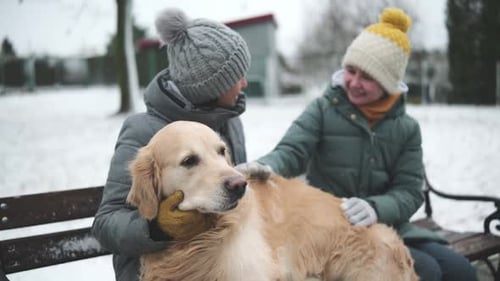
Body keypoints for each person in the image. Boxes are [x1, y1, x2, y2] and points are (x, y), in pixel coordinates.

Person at [240, 7, 477, 281]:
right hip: (332, 229)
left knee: (461, 271)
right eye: (350, 70)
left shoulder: (406, 128)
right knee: (428, 272)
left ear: (389, 83)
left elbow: (410, 191)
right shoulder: (323, 109)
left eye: (367, 77)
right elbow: (292, 151)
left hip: (389, 226)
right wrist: (267, 165)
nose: (354, 82)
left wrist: (375, 207)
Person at [91, 8, 251, 281]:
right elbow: (106, 224)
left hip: (222, 261)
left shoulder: (229, 123)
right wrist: (157, 228)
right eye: (236, 77)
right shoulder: (144, 131)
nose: (244, 83)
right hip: (156, 269)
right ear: (211, 88)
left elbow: (231, 189)